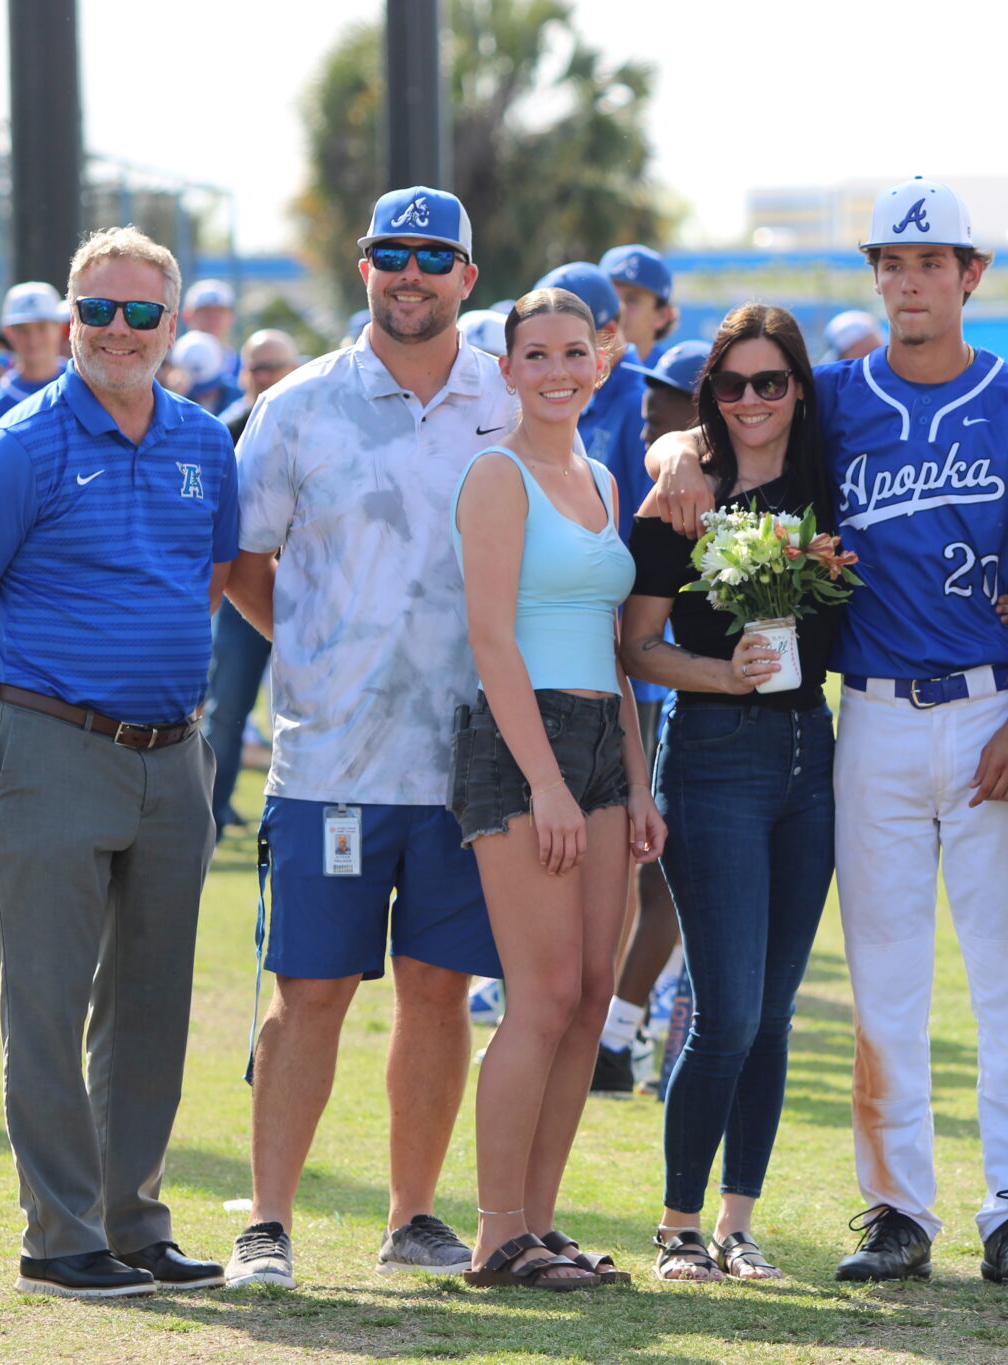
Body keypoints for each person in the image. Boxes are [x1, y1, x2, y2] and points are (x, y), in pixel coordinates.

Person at [650, 177, 1008, 1286]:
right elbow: (716, 427)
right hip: (872, 719)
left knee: (1003, 978)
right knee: (885, 975)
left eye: (930, 262)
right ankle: (895, 1210)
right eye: (890, 263)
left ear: (970, 273)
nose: (909, 281)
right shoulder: (834, 397)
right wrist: (674, 459)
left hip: (990, 702)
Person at [0, 225, 237, 1298]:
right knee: (48, 1004)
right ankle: (60, 1239)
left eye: (139, 311)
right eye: (95, 309)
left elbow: (203, 579)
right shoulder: (19, 443)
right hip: (53, 747)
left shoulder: (204, 443)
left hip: (172, 756)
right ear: (66, 316)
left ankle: (131, 1221)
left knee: (151, 1003)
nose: (115, 330)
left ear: (172, 323)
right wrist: (18, 722)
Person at [223, 186, 509, 1290]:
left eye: (435, 256)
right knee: (310, 993)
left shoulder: (506, 399)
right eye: (393, 252)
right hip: (330, 759)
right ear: (364, 266)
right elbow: (245, 563)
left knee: (438, 989)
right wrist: (316, 645)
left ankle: (413, 1217)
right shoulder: (296, 405)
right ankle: (270, 1226)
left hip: (463, 762)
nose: (412, 272)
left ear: (466, 278)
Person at [620, 304, 839, 1282]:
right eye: (732, 385)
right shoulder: (682, 491)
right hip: (712, 754)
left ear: (798, 386)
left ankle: (736, 1227)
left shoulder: (824, 482)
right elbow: (635, 643)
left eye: (771, 382)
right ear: (710, 394)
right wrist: (722, 676)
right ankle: (675, 1230)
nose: (752, 402)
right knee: (725, 1015)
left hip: (810, 754)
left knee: (776, 1014)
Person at [449, 287, 660, 1290]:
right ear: (507, 371)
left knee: (587, 999)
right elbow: (491, 639)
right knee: (537, 997)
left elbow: (617, 652)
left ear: (602, 361)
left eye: (574, 352)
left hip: (602, 749)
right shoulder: (496, 475)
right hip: (519, 739)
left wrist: (638, 781)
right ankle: (495, 1234)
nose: (558, 370)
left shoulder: (604, 480)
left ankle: (538, 1224)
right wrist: (545, 781)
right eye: (535, 355)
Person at [589, 336, 712, 1097]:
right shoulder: (650, 464)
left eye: (664, 392)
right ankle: (611, 1030)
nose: (646, 407)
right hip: (624, 690)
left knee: (663, 876)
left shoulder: (692, 487)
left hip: (665, 701)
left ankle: (617, 1034)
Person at [200, 329, 303, 836]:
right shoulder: (225, 430)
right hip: (247, 587)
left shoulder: (313, 421)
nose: (264, 377)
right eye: (256, 367)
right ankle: (211, 811)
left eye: (274, 366)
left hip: (307, 591)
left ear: (294, 368)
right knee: (228, 709)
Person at [0, 282, 70, 450]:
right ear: (8, 332)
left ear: (58, 328)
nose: (33, 339)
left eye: (42, 327)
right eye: (23, 329)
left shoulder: (84, 385)